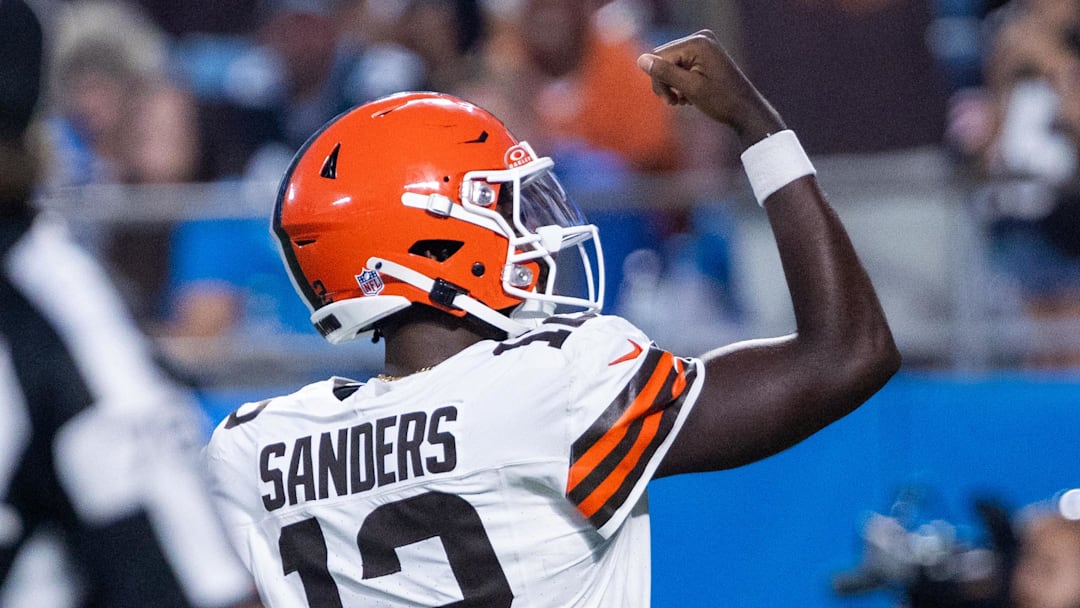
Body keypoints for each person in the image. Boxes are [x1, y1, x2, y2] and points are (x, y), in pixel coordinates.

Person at [206, 29, 900, 606]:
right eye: (504, 207)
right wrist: (758, 123)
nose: (531, 230)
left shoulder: (252, 450)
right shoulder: (555, 387)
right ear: (433, 241)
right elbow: (848, 354)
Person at [0, 1, 261, 605]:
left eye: (170, 127)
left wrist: (133, 344)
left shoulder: (53, 287)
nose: (154, 142)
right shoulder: (92, 231)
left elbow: (199, 336)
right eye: (142, 125)